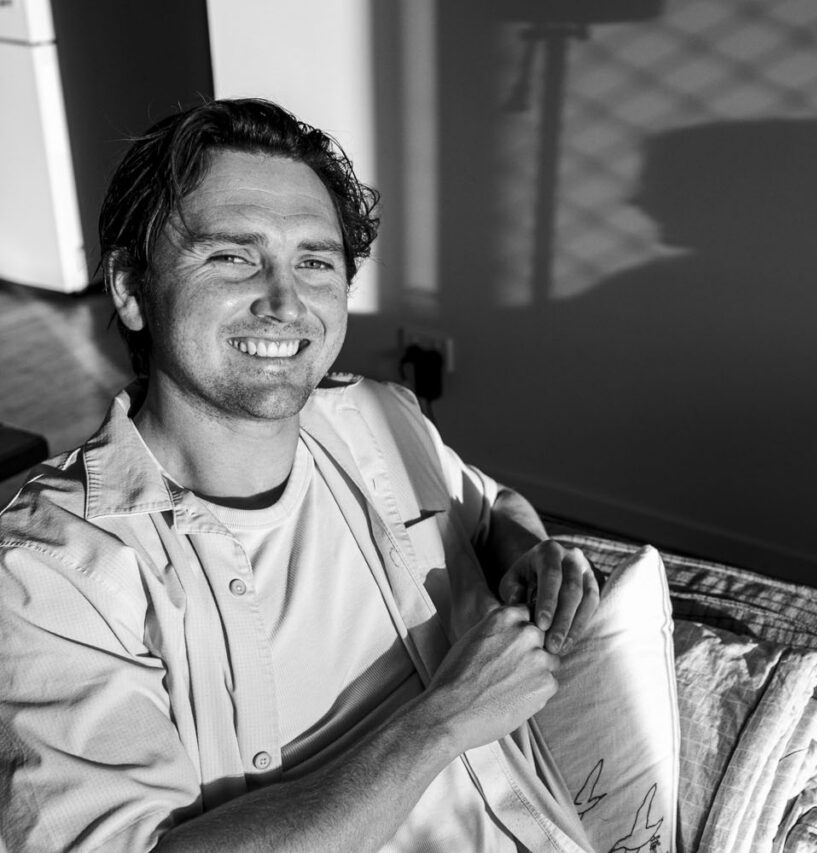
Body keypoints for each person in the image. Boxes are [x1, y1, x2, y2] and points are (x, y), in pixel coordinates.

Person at [0, 98, 602, 853]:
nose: (286, 303)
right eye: (233, 256)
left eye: (315, 262)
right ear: (129, 288)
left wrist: (532, 555)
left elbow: (488, 507)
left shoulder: (379, 418)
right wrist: (445, 719)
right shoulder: (49, 574)